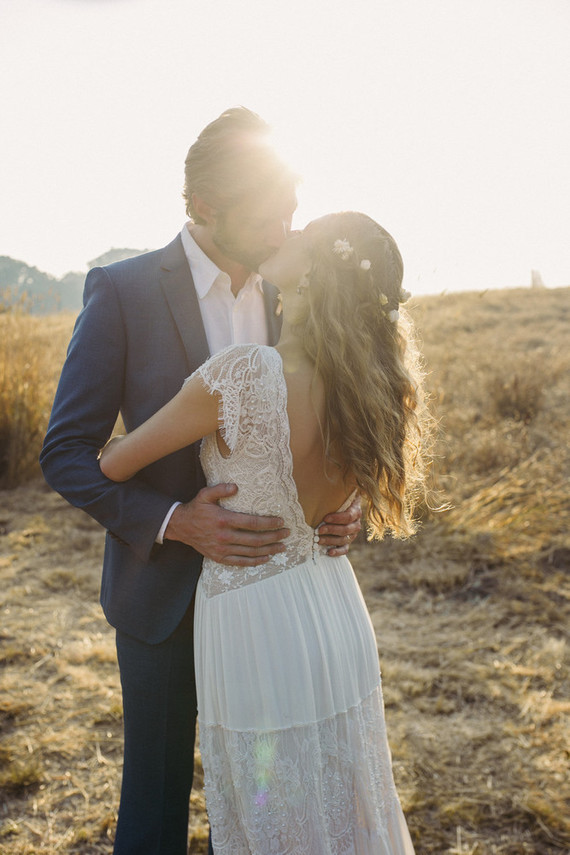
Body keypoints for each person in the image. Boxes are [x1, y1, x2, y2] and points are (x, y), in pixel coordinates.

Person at [40, 107, 360, 855]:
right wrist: (173, 518)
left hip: (277, 605)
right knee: (153, 809)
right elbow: (66, 452)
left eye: (292, 208)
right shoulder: (121, 292)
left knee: (263, 809)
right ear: (204, 207)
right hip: (164, 601)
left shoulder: (293, 292)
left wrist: (342, 506)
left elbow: (319, 427)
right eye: (269, 211)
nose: (287, 227)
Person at [99, 211, 427, 854]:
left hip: (256, 619)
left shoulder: (246, 371)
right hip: (333, 607)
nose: (286, 234)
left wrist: (121, 444)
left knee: (270, 814)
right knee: (343, 804)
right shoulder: (367, 383)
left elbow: (114, 463)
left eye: (303, 237)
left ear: (313, 273)